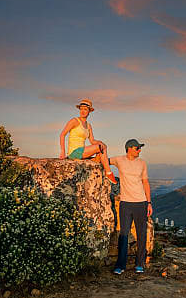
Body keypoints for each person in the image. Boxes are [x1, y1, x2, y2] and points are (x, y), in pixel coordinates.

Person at [109, 139, 151, 275]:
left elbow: (145, 183)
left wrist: (149, 203)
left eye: (140, 148)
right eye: (137, 148)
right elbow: (104, 160)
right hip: (125, 203)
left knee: (142, 235)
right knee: (124, 234)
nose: (139, 150)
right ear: (129, 148)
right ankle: (120, 265)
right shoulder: (119, 160)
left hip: (141, 203)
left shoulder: (142, 163)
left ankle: (140, 264)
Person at [58, 99, 117, 184]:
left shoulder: (88, 126)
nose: (83, 111)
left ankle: (103, 172)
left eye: (85, 109)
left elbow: (92, 141)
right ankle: (108, 173)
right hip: (75, 152)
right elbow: (62, 134)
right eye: (81, 109)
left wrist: (101, 142)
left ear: (89, 111)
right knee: (99, 148)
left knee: (102, 150)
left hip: (83, 152)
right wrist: (63, 151)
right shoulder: (74, 121)